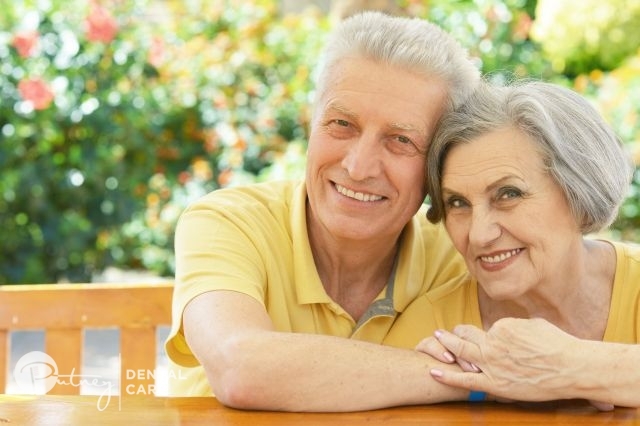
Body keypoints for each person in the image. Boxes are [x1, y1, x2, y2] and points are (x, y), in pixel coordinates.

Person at [164, 11, 481, 411]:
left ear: (439, 164)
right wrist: (472, 378)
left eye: (400, 139)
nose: (358, 166)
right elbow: (241, 368)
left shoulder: (463, 253)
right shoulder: (227, 221)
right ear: (311, 123)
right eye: (341, 123)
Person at [384, 79, 640, 408]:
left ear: (578, 191)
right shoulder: (432, 326)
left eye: (508, 194)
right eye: (458, 203)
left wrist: (575, 366)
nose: (478, 235)